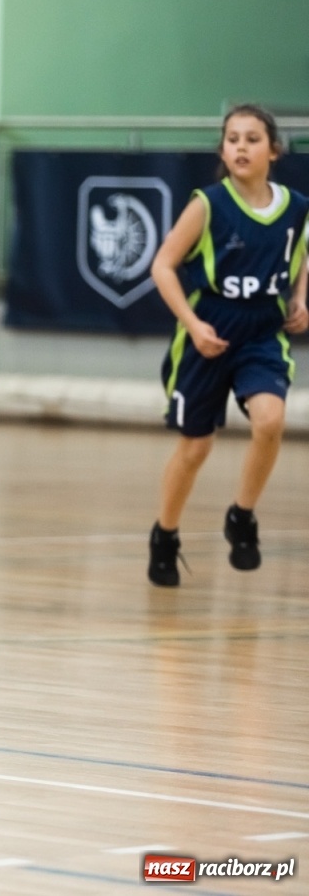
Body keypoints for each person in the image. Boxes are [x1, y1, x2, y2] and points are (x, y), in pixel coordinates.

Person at [147, 104, 309, 587]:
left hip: (262, 329)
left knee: (270, 421)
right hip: (210, 328)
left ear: (273, 151)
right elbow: (162, 265)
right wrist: (193, 324)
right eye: (232, 139)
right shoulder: (208, 204)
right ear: (222, 149)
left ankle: (242, 515)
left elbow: (302, 255)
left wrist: (301, 297)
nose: (241, 147)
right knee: (196, 447)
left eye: (252, 139)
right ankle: (165, 535)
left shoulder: (296, 207)